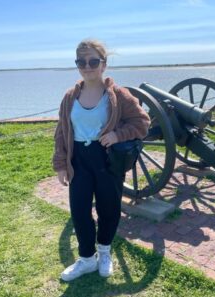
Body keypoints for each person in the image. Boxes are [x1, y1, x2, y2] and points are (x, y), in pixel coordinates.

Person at [52, 39, 150, 281]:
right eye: (82, 62)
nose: (88, 66)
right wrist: (61, 164)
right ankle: (87, 259)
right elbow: (62, 131)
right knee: (79, 210)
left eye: (93, 61)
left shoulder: (117, 95)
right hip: (79, 160)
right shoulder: (70, 96)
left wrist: (118, 134)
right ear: (77, 64)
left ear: (103, 64)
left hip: (107, 159)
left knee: (109, 208)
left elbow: (142, 122)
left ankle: (104, 251)